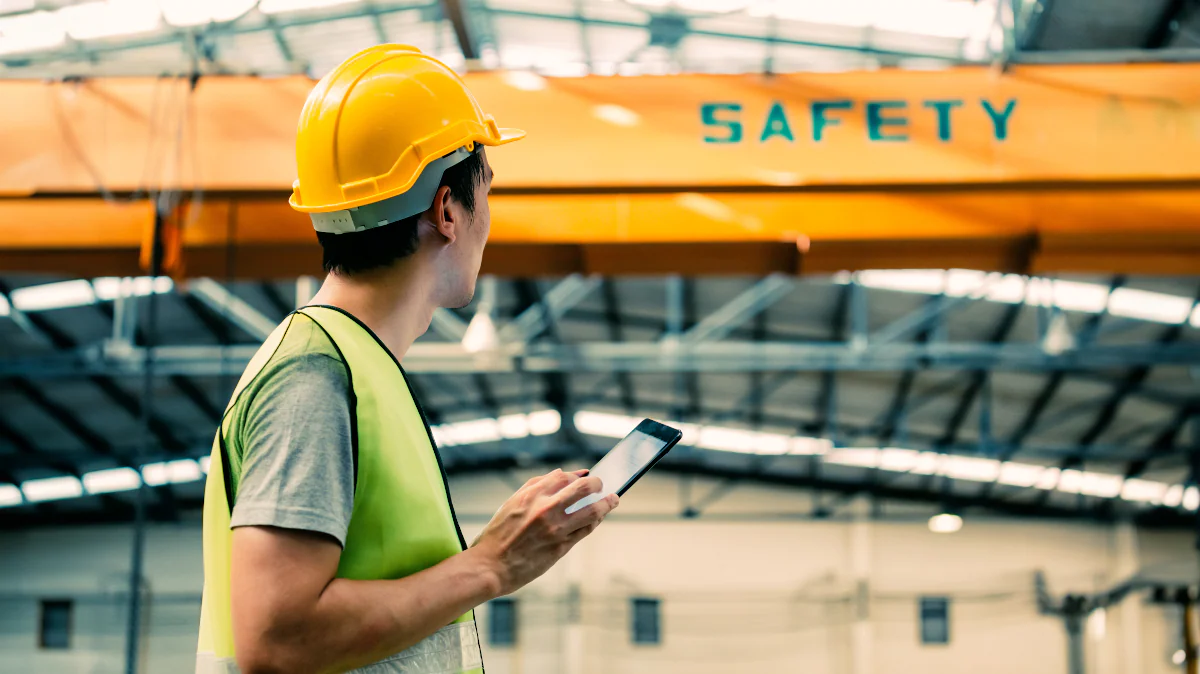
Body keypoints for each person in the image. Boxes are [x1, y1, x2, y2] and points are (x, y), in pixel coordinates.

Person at [195, 44, 618, 674]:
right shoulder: (315, 375)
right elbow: (278, 640)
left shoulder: (353, 366)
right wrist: (491, 565)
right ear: (446, 211)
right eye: (488, 193)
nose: (489, 221)